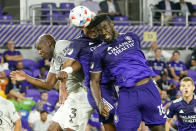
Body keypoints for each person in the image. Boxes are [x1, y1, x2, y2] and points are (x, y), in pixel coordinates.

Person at [89, 13, 166, 131]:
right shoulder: (99, 52)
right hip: (127, 94)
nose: (103, 32)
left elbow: (139, 61)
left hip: (148, 89)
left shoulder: (132, 37)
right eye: (99, 31)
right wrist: (99, 103)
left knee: (159, 128)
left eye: (105, 28)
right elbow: (94, 81)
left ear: (112, 24)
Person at [10, 35, 90, 131]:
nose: (39, 52)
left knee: (70, 129)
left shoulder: (61, 45)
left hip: (83, 92)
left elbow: (78, 62)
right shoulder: (54, 61)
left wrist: (62, 86)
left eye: (40, 48)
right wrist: (26, 77)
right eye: (38, 50)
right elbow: (48, 85)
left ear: (49, 42)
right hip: (72, 96)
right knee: (52, 129)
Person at [57, 11, 117, 131]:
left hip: (110, 86)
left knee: (110, 121)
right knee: (71, 127)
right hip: (90, 89)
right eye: (87, 28)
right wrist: (62, 88)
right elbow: (66, 65)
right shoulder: (78, 43)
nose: (92, 31)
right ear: (81, 28)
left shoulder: (105, 37)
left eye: (94, 28)